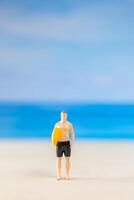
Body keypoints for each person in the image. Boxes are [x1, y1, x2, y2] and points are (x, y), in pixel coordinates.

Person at [52, 111, 75, 180]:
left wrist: (72, 141)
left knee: (67, 159)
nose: (63, 117)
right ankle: (59, 175)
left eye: (65, 116)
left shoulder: (69, 124)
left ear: (66, 116)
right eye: (62, 115)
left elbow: (72, 133)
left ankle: (67, 175)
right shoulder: (57, 124)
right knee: (59, 159)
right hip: (59, 143)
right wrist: (53, 142)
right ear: (60, 116)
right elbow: (53, 134)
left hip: (66, 143)